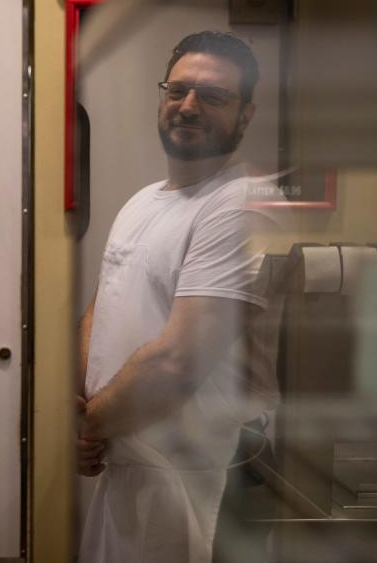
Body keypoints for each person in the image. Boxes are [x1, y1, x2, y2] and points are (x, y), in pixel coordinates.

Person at [77, 31, 284, 562]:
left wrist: (88, 423)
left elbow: (177, 361)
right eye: (178, 90)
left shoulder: (244, 203)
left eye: (213, 96)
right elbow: (103, 310)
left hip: (206, 472)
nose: (188, 106)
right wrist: (77, 412)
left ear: (245, 114)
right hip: (131, 459)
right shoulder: (141, 203)